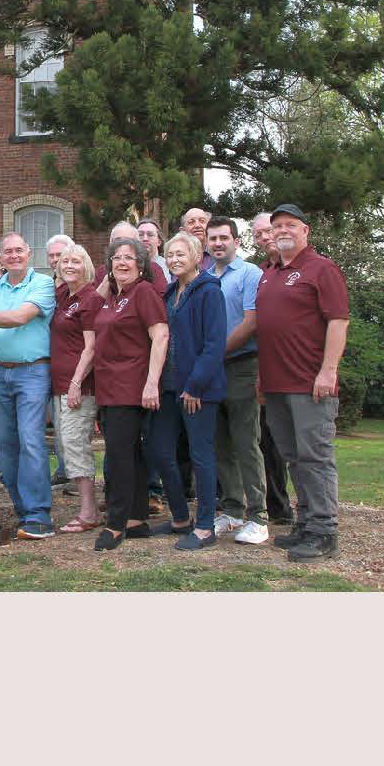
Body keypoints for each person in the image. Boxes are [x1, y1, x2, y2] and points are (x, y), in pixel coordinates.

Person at [248, 204, 350, 561]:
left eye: (290, 224)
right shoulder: (269, 273)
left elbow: (338, 321)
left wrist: (328, 370)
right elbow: (266, 328)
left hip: (310, 383)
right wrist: (262, 377)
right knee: (293, 457)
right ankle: (306, 523)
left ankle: (324, 531)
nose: (282, 230)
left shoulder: (322, 269)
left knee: (315, 457)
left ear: (306, 230)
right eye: (277, 226)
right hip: (276, 385)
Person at [69, 241, 171, 550]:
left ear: (142, 265)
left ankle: (115, 524)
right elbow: (84, 312)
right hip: (109, 386)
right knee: (131, 454)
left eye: (129, 258)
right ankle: (136, 520)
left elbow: (161, 335)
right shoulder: (114, 297)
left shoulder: (144, 293)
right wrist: (107, 282)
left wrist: (152, 382)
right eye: (116, 258)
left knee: (118, 456)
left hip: (131, 387)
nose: (122, 262)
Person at [0, 234, 59, 537]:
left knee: (30, 439)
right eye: (7, 252)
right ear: (1, 257)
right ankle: (22, 509)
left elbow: (21, 316)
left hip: (32, 372)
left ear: (29, 253)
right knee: (5, 444)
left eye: (19, 250)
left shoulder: (43, 284)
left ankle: (39, 515)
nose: (13, 255)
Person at [197, 217, 273, 544]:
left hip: (241, 366)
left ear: (236, 241)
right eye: (212, 239)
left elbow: (251, 322)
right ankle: (231, 509)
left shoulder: (250, 274)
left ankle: (259, 515)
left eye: (223, 238)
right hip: (210, 372)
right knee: (221, 443)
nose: (217, 243)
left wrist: (213, 353)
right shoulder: (202, 278)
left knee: (246, 442)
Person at [153, 233, 230, 548]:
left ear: (198, 257)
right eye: (170, 255)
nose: (173, 260)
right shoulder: (170, 293)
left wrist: (196, 386)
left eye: (180, 254)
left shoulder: (209, 292)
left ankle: (204, 527)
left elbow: (214, 344)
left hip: (198, 390)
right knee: (160, 449)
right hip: (169, 387)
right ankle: (180, 517)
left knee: (201, 455)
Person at [44, 242, 104, 531]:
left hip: (79, 386)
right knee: (67, 446)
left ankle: (89, 513)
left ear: (87, 267)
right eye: (64, 261)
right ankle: (88, 509)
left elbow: (91, 348)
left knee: (75, 445)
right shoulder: (62, 296)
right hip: (59, 385)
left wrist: (77, 383)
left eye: (76, 261)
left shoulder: (90, 299)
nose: (69, 265)